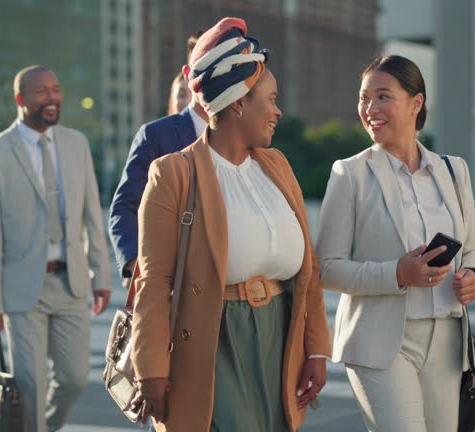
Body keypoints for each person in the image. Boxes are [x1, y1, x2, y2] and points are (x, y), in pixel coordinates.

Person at [129, 18, 332, 432]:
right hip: (211, 343)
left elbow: (308, 269)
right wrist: (150, 368)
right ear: (238, 101)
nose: (278, 111)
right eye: (270, 99)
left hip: (280, 339)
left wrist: (316, 350)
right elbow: (153, 280)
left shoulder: (277, 166)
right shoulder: (173, 174)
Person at [315, 55, 475, 432]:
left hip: (446, 344)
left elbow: (474, 248)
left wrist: (474, 274)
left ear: (416, 103)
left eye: (382, 97)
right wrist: (397, 272)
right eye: (364, 98)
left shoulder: (452, 170)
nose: (369, 109)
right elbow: (325, 267)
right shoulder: (350, 174)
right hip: (380, 345)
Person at [0, 65, 111, 432]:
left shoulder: (76, 144)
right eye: (41, 92)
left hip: (70, 284)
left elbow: (91, 215)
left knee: (74, 378)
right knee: (30, 386)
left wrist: (101, 274)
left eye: (56, 89)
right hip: (22, 291)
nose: (52, 98)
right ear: (20, 100)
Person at [109, 30, 207, 287]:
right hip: (172, 284)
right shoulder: (155, 135)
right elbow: (124, 208)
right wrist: (137, 267)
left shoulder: (245, 136)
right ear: (189, 75)